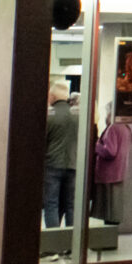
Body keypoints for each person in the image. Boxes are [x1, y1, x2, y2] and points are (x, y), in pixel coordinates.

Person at [42, 81, 78, 228]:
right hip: (73, 164)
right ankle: (71, 242)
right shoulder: (77, 116)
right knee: (71, 205)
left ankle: (53, 242)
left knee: (51, 204)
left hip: (52, 165)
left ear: (52, 96)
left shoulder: (49, 115)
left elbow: (43, 140)